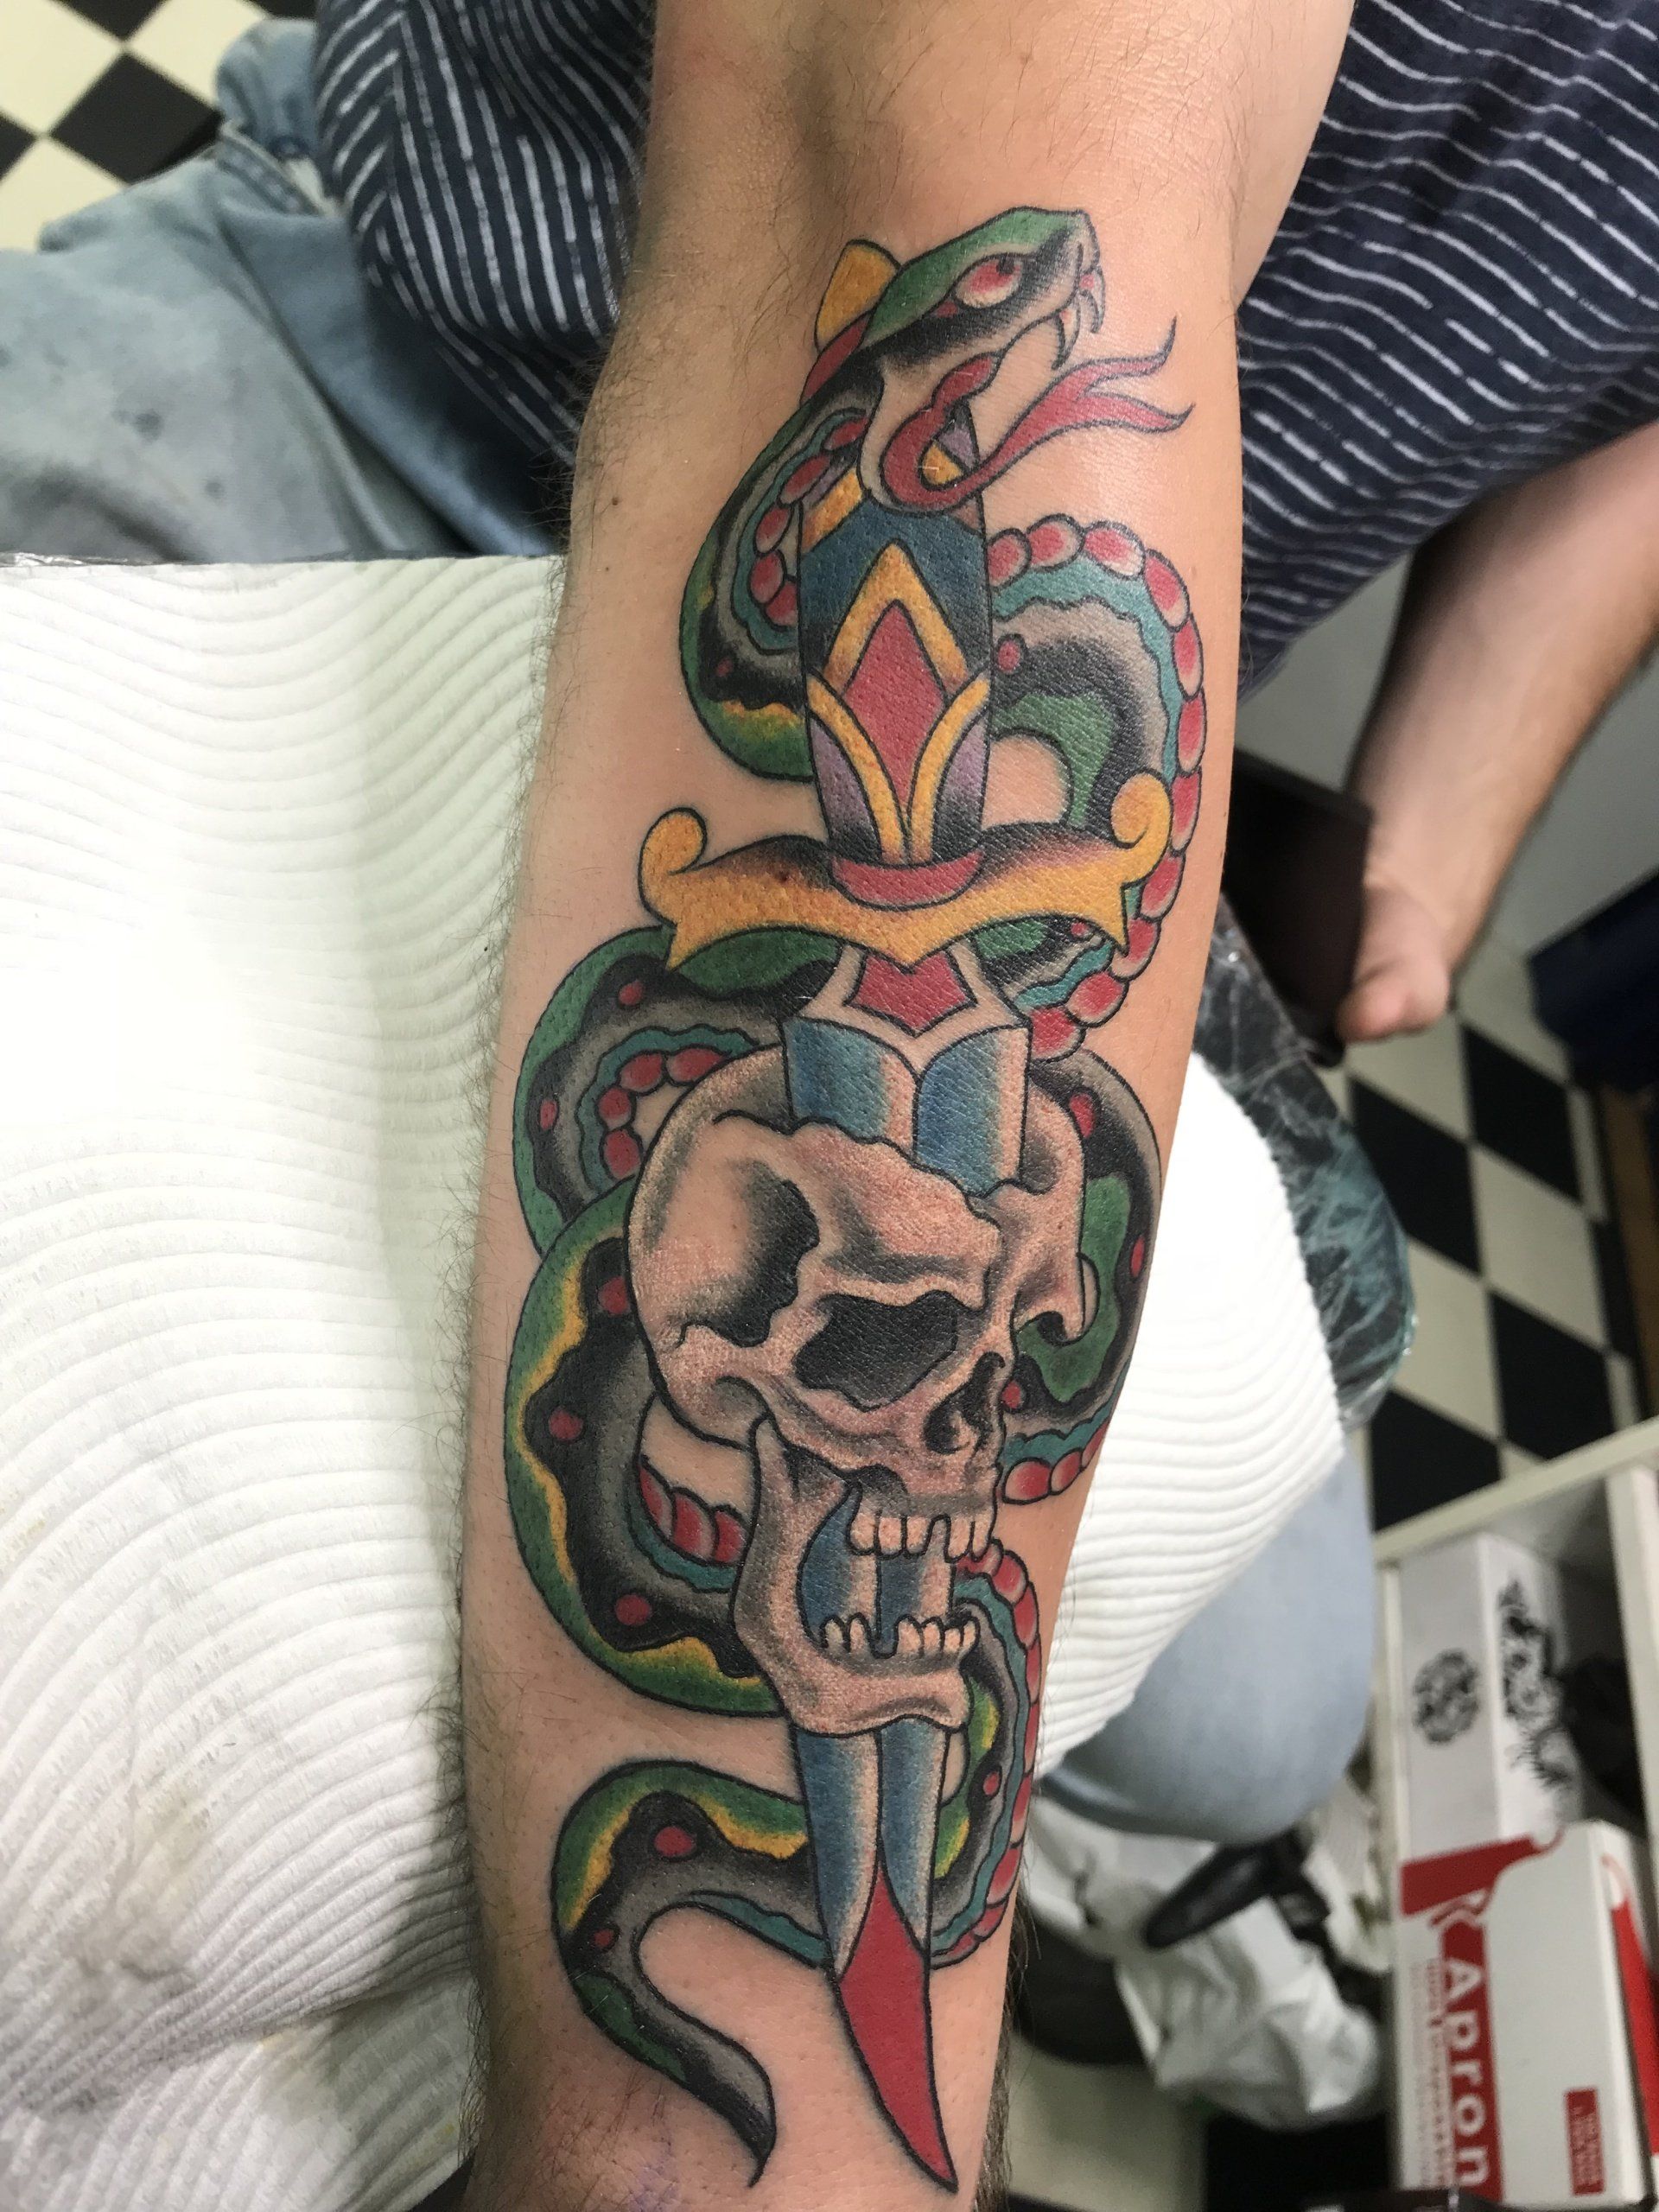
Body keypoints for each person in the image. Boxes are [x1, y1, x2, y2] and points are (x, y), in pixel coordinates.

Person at [1, 4, 1655, 2207]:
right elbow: (956, 153)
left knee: (1269, 1728)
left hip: (1031, 760)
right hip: (398, 366)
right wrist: (673, 2164)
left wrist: (1432, 845)